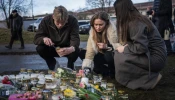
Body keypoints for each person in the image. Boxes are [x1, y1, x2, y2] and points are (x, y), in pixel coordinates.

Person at [113, 0, 167, 90]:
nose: (115, 14)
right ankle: (143, 78)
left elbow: (141, 48)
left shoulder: (135, 23)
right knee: (119, 54)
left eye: (116, 10)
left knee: (121, 57)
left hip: (156, 58)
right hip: (152, 54)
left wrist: (124, 49)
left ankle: (150, 80)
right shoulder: (136, 19)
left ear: (122, 10)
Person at [34, 6, 80, 70]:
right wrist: (43, 39)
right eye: (58, 22)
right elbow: (36, 38)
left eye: (63, 22)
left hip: (67, 48)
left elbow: (75, 38)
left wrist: (72, 48)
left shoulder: (73, 21)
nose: (60, 25)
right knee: (40, 48)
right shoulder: (45, 21)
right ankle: (52, 63)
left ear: (67, 19)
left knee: (76, 49)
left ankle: (70, 65)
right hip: (52, 48)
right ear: (53, 17)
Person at [79, 11, 121, 78]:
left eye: (100, 25)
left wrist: (107, 46)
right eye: (96, 25)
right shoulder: (92, 33)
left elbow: (121, 46)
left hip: (113, 55)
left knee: (108, 54)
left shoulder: (114, 30)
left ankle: (113, 73)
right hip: (100, 54)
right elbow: (90, 51)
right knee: (82, 52)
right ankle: (102, 71)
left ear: (106, 24)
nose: (98, 27)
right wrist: (86, 69)